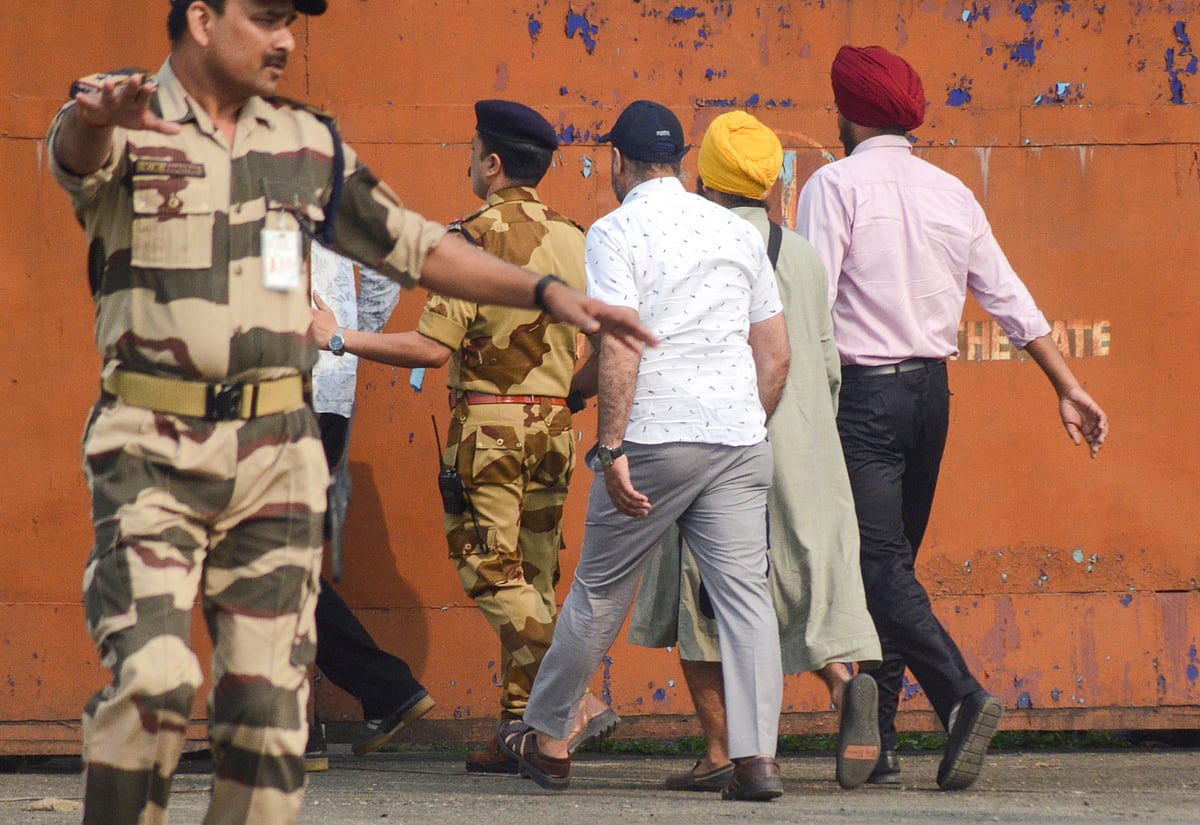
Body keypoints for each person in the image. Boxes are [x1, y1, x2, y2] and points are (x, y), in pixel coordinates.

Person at [48, 2, 653, 823]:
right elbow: (74, 158)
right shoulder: (123, 117)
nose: (288, 37)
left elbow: (415, 246)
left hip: (278, 446)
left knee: (268, 717)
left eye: (292, 20)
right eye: (267, 18)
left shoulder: (306, 144)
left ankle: (535, 704)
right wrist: (94, 124)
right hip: (155, 439)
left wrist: (549, 295)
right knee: (156, 684)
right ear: (200, 18)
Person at [794, 45, 1109, 791]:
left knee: (879, 567)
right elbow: (1007, 296)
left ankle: (962, 697)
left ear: (848, 113)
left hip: (863, 398)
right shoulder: (951, 192)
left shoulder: (833, 186)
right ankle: (887, 745)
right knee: (893, 566)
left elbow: (812, 304)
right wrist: (1066, 384)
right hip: (931, 398)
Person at [310, 98, 618, 774]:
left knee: (488, 568)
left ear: (493, 163)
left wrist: (336, 335)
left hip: (491, 425)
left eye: (472, 150)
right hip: (554, 424)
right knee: (533, 575)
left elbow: (429, 349)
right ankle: (524, 732)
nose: (467, 161)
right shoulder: (574, 236)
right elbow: (602, 344)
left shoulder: (471, 238)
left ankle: (571, 700)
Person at [496, 100, 792, 802]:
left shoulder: (615, 230)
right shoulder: (737, 230)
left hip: (656, 439)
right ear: (684, 162)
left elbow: (620, 339)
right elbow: (774, 356)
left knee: (600, 589)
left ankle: (549, 739)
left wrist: (612, 446)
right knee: (746, 601)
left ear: (617, 164)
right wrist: (745, 425)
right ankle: (756, 761)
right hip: (739, 437)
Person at [624, 110, 883, 791]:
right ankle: (842, 682)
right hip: (805, 441)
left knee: (702, 594)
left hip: (721, 437)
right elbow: (826, 364)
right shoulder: (799, 252)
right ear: (770, 181)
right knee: (791, 578)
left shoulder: (697, 239)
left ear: (703, 174)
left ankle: (721, 749)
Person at [307, 243, 433, 761]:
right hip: (329, 385)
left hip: (281, 391)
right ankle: (316, 720)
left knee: (267, 558)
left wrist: (342, 337)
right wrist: (350, 338)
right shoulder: (333, 184)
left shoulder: (250, 181)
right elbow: (386, 270)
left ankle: (383, 689)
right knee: (280, 560)